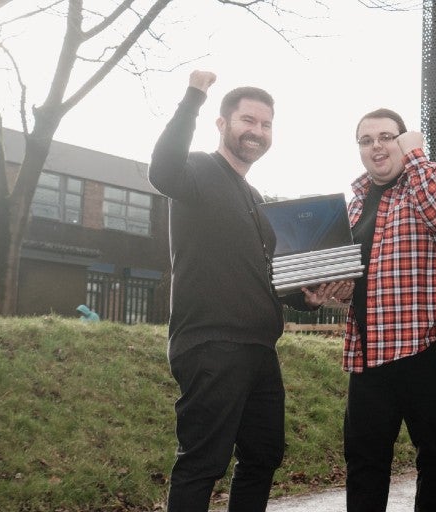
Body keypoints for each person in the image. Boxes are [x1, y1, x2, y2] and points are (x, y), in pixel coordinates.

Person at [150, 70, 351, 511]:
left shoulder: (256, 198)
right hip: (211, 343)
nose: (257, 131)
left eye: (265, 124)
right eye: (247, 120)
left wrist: (305, 299)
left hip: (259, 348)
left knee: (263, 455)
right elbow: (162, 170)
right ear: (222, 123)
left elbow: (267, 275)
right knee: (202, 462)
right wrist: (194, 95)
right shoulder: (196, 169)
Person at [338, 109, 436, 511]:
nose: (376, 146)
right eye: (366, 140)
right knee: (364, 462)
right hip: (369, 355)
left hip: (427, 350)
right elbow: (356, 276)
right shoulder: (355, 202)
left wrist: (416, 157)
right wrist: (337, 290)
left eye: (386, 137)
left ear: (405, 140)